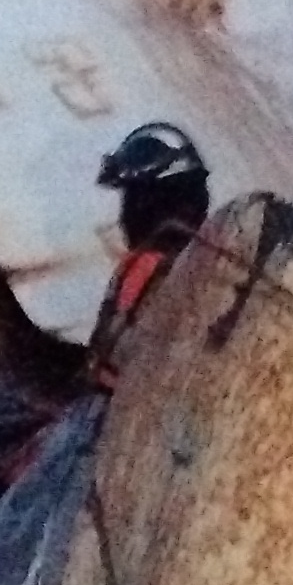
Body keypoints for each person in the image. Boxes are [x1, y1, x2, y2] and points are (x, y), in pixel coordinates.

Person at [85, 121, 211, 389]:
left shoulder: (148, 267)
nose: (126, 210)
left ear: (149, 202)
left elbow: (106, 369)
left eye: (132, 196)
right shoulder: (205, 260)